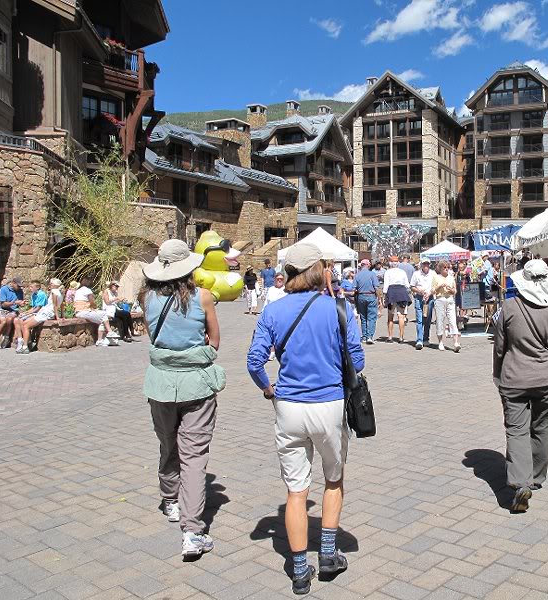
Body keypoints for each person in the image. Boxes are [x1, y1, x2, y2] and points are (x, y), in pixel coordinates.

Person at [247, 242, 364, 595]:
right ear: (319, 271)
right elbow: (357, 361)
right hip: (328, 404)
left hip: (289, 406)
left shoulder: (273, 310)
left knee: (296, 491)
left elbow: (254, 362)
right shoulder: (339, 308)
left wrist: (269, 388)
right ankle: (327, 554)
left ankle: (299, 571)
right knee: (333, 480)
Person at [140, 239, 223, 558]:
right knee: (194, 455)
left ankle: (171, 499)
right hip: (196, 384)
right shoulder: (203, 297)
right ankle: (192, 530)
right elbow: (214, 341)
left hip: (161, 383)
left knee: (167, 443)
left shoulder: (147, 298)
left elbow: (154, 338)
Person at [492, 260, 548, 512]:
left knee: (516, 430)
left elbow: (499, 347)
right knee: (542, 428)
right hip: (546, 380)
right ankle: (536, 477)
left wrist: (497, 375)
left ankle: (521, 482)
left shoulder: (509, 307)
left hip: (513, 378)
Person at [16, 278, 63, 354]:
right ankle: (27, 344)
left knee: (26, 326)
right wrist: (61, 315)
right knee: (24, 323)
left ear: (55, 285)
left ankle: (25, 346)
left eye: (51, 284)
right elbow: (61, 305)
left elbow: (55, 305)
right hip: (46, 313)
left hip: (46, 313)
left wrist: (57, 317)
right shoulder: (60, 292)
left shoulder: (54, 292)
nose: (50, 285)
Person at [73, 277, 113, 347]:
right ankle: (109, 332)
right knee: (104, 314)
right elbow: (92, 302)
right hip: (84, 312)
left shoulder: (78, 290)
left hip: (78, 312)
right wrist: (95, 308)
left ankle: (101, 340)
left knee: (103, 320)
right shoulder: (88, 290)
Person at [431, 261, 460, 352]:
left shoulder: (451, 278)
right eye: (444, 267)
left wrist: (450, 289)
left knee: (453, 320)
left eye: (448, 267)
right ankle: (440, 342)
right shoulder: (436, 277)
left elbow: (455, 291)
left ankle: (456, 342)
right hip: (440, 299)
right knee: (440, 321)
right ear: (440, 269)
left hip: (450, 299)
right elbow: (432, 290)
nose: (446, 269)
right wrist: (439, 286)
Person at [383, 258, 411, 343]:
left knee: (390, 315)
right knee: (401, 316)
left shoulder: (388, 272)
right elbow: (407, 285)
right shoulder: (402, 272)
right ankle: (401, 337)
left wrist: (384, 296)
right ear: (398, 263)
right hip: (401, 292)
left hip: (391, 292)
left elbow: (386, 285)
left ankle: (390, 337)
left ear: (390, 263)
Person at [353, 259, 381, 344]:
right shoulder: (372, 274)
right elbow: (376, 288)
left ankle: (364, 336)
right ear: (368, 265)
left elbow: (354, 289)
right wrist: (379, 299)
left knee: (363, 317)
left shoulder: (357, 275)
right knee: (372, 317)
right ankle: (370, 337)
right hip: (371, 296)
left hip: (361, 296)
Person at [410, 260, 435, 350]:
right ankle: (419, 340)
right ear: (421, 265)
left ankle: (426, 338)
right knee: (419, 319)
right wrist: (419, 291)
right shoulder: (416, 274)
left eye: (427, 264)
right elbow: (412, 286)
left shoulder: (433, 273)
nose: (426, 265)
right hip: (419, 298)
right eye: (424, 264)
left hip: (429, 298)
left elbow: (435, 286)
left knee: (428, 319)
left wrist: (429, 294)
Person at [0, 276, 25, 348]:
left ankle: (6, 337)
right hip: (3, 309)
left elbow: (20, 303)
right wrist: (14, 303)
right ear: (13, 283)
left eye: (20, 286)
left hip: (13, 310)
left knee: (10, 319)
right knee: (3, 321)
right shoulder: (4, 289)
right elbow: (3, 304)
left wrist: (22, 303)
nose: (19, 288)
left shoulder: (20, 291)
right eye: (18, 286)